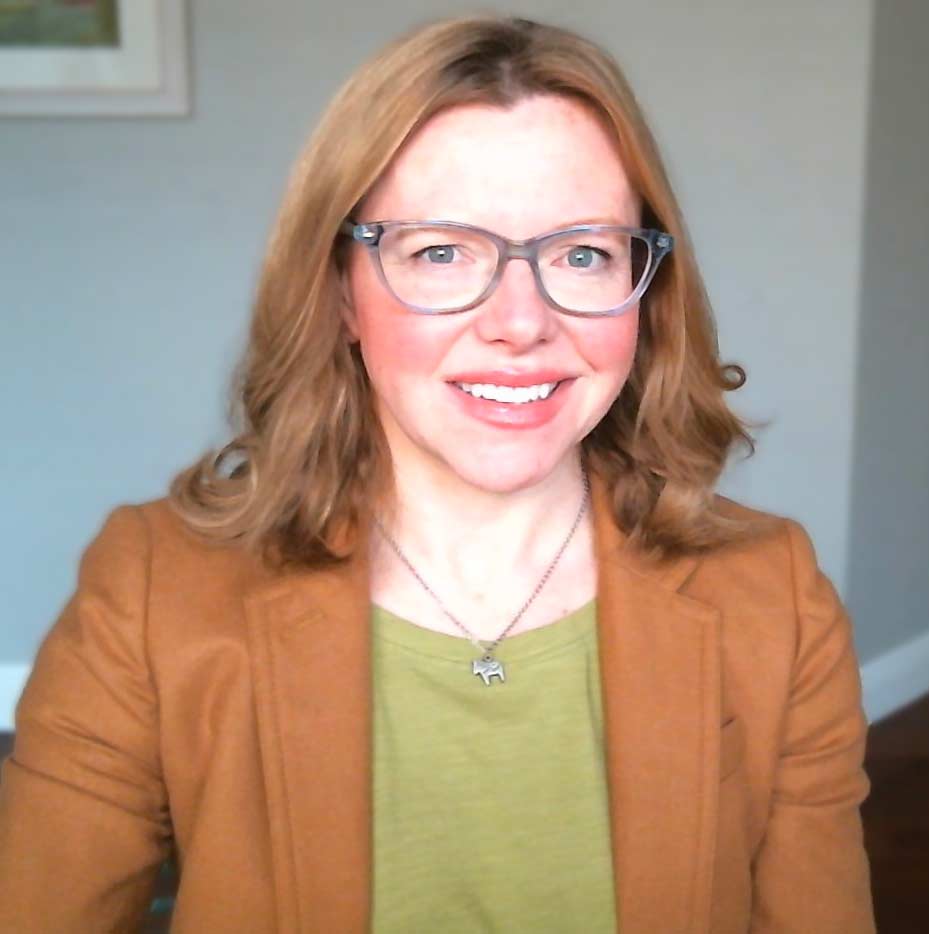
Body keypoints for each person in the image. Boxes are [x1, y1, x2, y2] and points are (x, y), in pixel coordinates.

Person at [0, 14, 875, 934]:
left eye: (582, 253)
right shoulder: (152, 588)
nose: (521, 323)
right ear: (339, 292)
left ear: (646, 295)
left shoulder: (774, 596)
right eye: (442, 252)